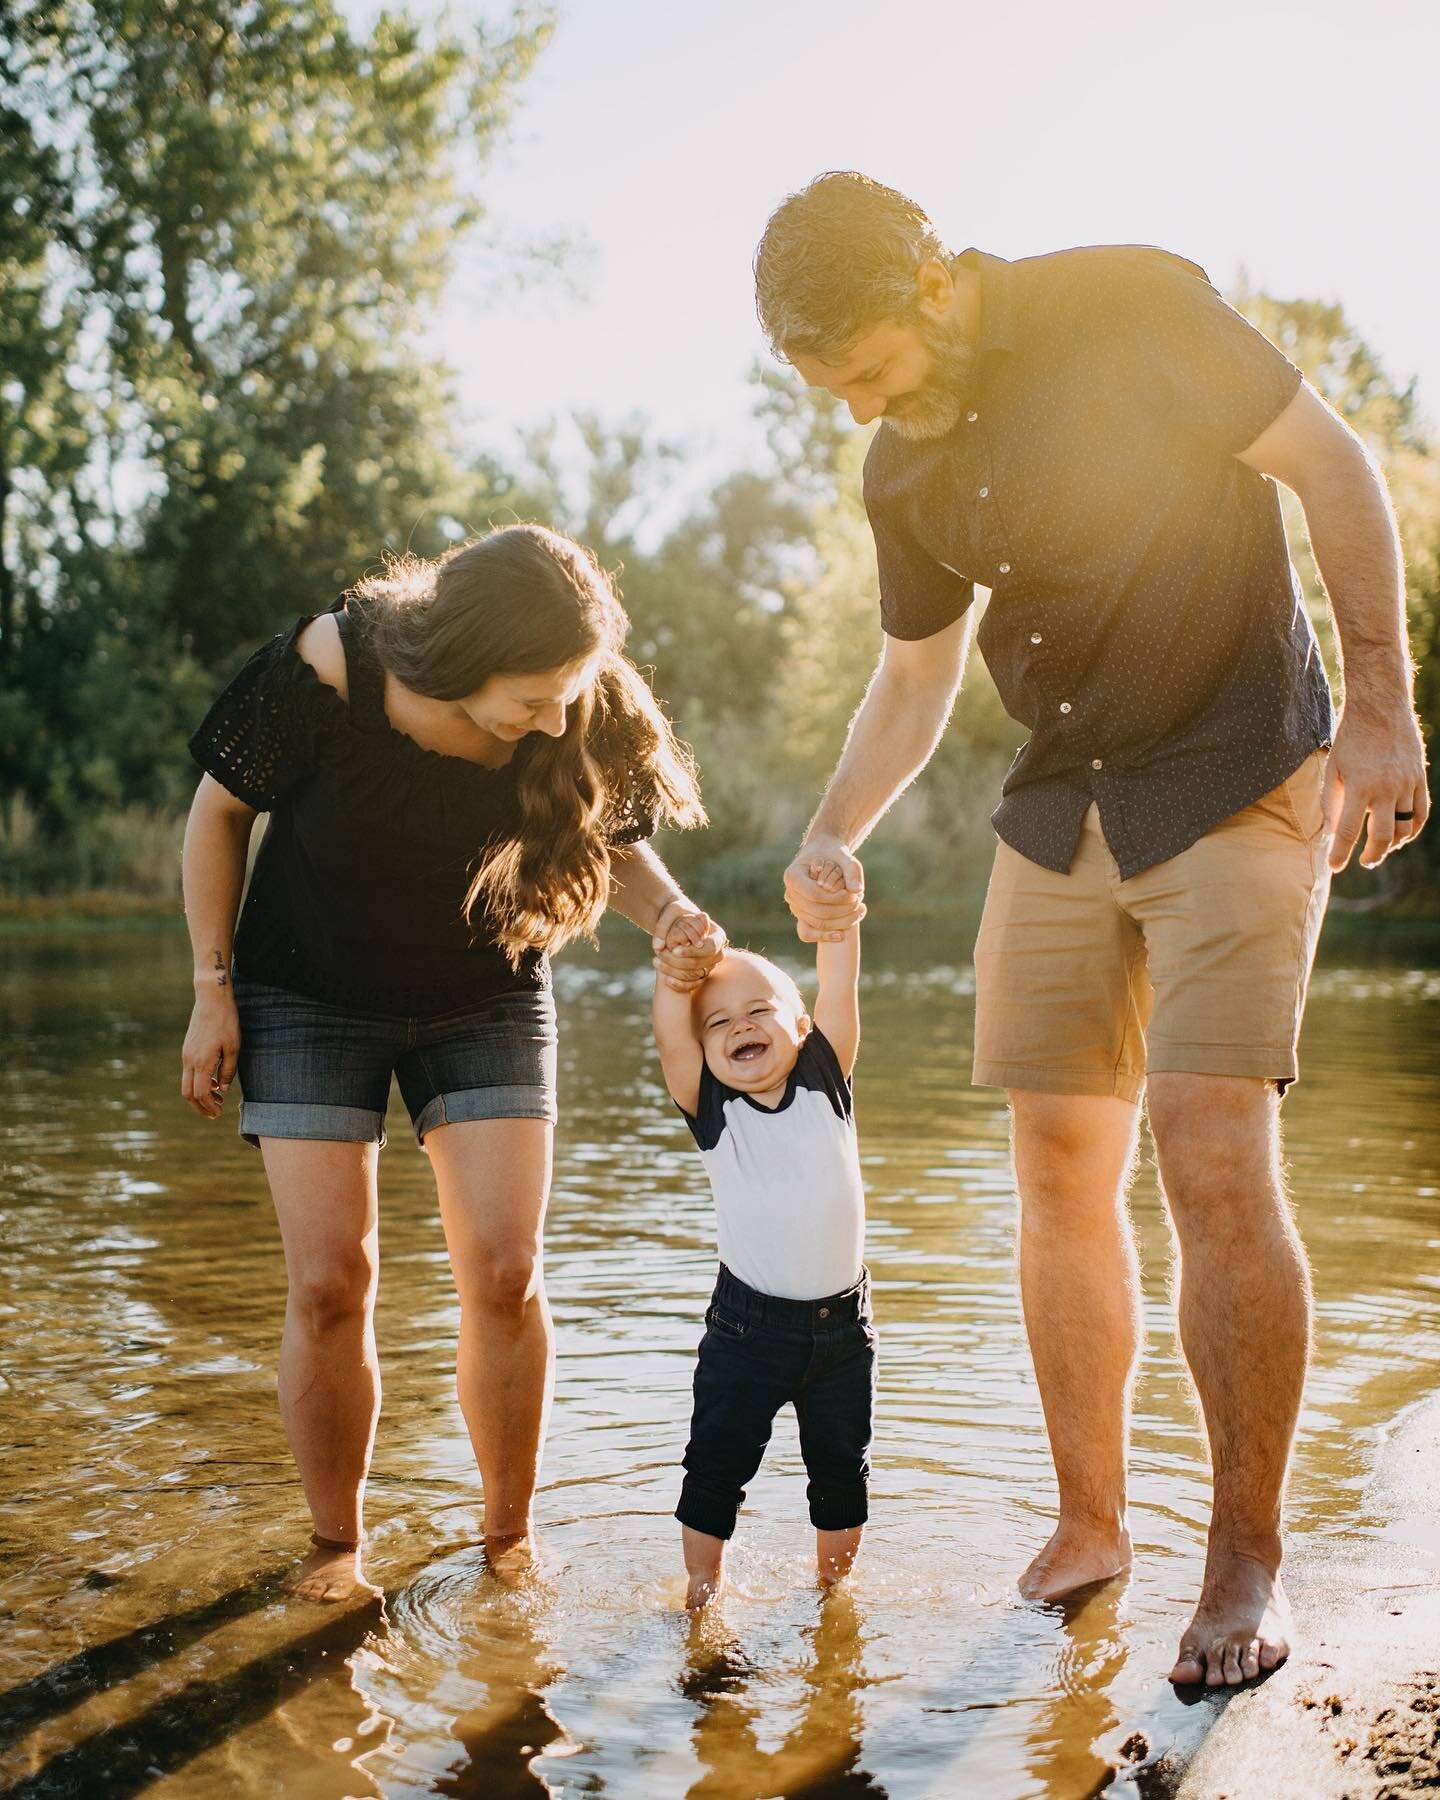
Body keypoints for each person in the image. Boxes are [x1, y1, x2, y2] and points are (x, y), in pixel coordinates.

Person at [753, 172, 1429, 1686]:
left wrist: (1381, 704)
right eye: (833, 389)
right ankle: (1091, 1522)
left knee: (1206, 1143)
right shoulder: (902, 471)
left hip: (1240, 767)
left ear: (931, 278)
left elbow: (1334, 470)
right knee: (1057, 1163)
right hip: (1062, 805)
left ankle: (1248, 1556)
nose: (865, 407)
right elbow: (917, 681)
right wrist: (830, 826)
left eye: (869, 369)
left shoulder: (1125, 305)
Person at [180, 524, 724, 1600]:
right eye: (534, 696)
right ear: (463, 655)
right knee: (333, 1284)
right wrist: (212, 991)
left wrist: (674, 916)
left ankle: (506, 1539)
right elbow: (218, 815)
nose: (558, 717)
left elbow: (612, 839)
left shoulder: (575, 695)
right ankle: (336, 1550)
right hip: (305, 988)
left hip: (485, 988)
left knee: (506, 1272)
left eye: (571, 692)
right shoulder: (328, 667)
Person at [652, 871, 872, 1610]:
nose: (740, 1027)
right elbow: (669, 1032)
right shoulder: (711, 1106)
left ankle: (832, 1599)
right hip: (747, 1331)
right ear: (701, 1048)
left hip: (842, 1333)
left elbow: (838, 979)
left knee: (842, 1474)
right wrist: (678, 968)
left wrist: (838, 911)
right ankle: (702, 1592)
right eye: (718, 1023)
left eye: (758, 1012)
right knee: (716, 1468)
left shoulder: (825, 1077)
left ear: (801, 1028)